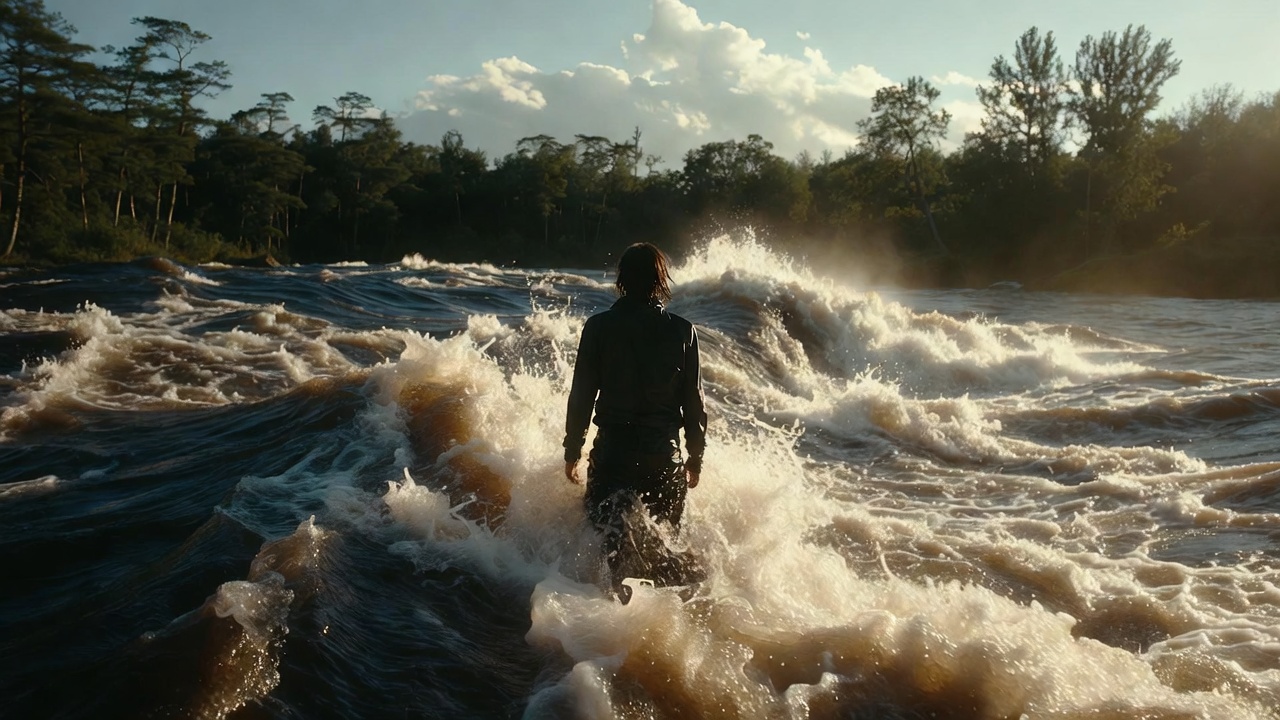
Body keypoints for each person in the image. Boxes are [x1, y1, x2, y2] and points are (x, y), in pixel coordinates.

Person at [563, 243, 707, 593]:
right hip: (664, 457)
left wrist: (573, 451)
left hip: (613, 455)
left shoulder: (598, 328)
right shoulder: (682, 331)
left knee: (607, 545)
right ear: (660, 280)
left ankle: (610, 621)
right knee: (664, 547)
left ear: (622, 280)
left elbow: (581, 396)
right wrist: (695, 458)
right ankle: (658, 626)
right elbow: (694, 404)